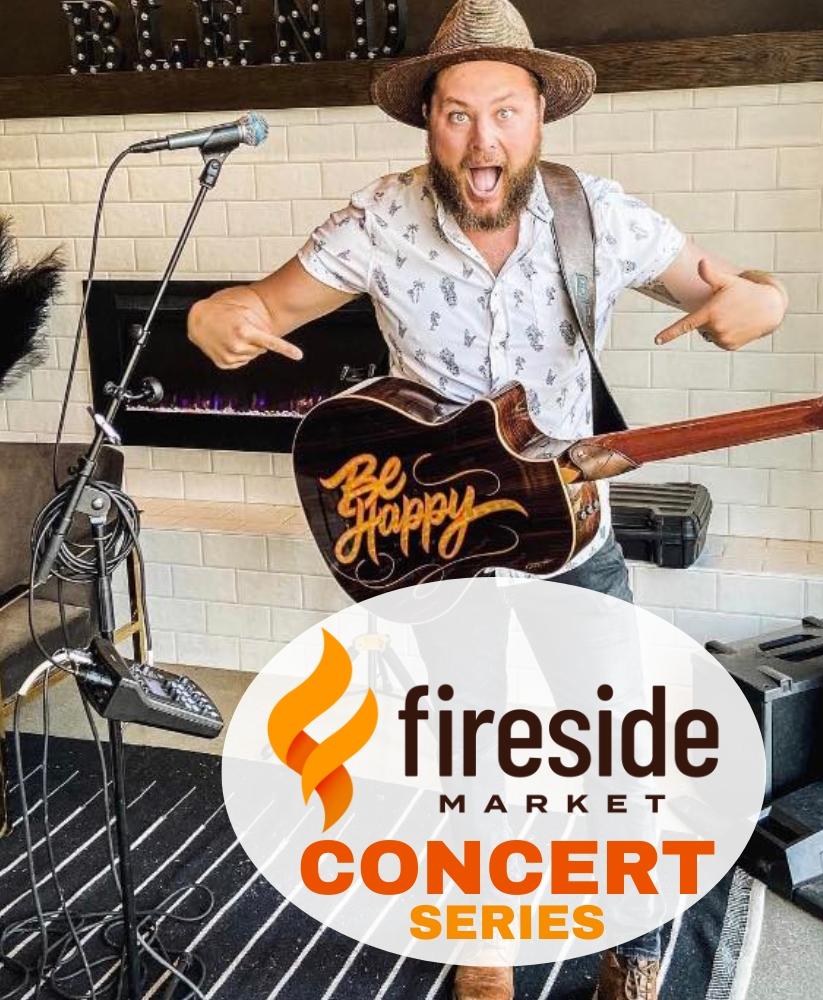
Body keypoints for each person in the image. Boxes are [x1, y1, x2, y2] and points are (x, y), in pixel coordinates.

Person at [188, 2, 788, 996]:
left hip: (567, 530)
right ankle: (484, 956)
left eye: (503, 111)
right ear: (427, 119)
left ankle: (631, 958)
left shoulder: (598, 214)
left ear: (539, 115)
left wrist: (757, 302)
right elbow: (262, 304)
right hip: (437, 542)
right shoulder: (380, 217)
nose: (481, 139)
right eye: (457, 113)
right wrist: (222, 315)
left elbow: (733, 286)